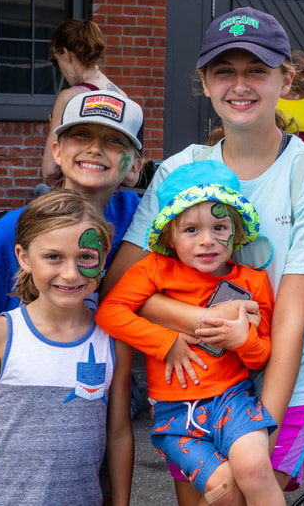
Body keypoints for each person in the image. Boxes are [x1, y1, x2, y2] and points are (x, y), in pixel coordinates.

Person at [101, 7, 304, 504]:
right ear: (204, 81)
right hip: (191, 384)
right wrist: (200, 319)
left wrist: (261, 430)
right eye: (225, 71)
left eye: (257, 70)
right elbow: (120, 287)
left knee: (245, 494)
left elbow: (289, 322)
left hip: (282, 378)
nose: (240, 85)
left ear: (287, 79)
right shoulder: (180, 170)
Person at [97, 161, 281, 503]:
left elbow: (261, 356)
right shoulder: (152, 269)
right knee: (223, 491)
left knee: (255, 469)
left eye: (220, 226)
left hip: (233, 400)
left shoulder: (253, 282)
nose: (208, 241)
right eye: (191, 230)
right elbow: (109, 312)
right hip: (175, 414)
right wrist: (166, 342)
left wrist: (242, 341)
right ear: (169, 234)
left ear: (237, 231)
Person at [0, 89, 143, 390]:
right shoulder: (10, 230)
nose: (94, 148)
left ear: (135, 167)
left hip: (108, 384)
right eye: (81, 135)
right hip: (26, 389)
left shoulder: (143, 220)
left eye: (114, 140)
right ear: (57, 151)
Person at [0, 189, 133, 506]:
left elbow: (118, 434)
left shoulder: (113, 342)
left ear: (103, 257)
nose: (70, 273)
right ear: (23, 257)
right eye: (53, 257)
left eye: (86, 257)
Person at [41, 18, 127, 186]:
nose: (59, 68)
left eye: (55, 60)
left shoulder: (69, 98)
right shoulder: (122, 97)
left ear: (66, 54)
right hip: (108, 199)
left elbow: (49, 169)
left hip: (75, 201)